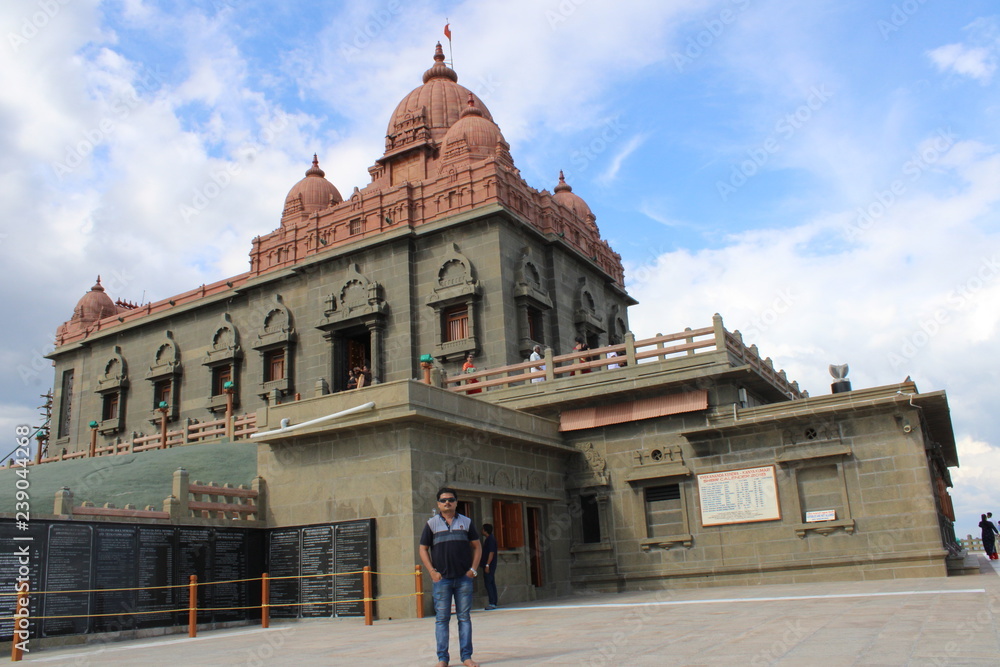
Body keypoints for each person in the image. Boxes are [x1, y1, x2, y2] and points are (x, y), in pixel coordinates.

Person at [419, 488, 482, 667]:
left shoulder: (467, 522)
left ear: (456, 502)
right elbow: (423, 548)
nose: (447, 502)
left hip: (463, 578)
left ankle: (466, 657)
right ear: (438, 503)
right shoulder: (431, 524)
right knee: (442, 619)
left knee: (464, 618)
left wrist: (473, 570)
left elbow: (477, 546)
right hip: (442, 580)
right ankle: (442, 659)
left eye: (451, 499)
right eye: (443, 500)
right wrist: (432, 571)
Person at [481, 523, 499, 610]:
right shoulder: (488, 539)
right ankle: (494, 601)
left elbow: (491, 552)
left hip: (490, 566)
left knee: (489, 583)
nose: (481, 531)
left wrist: (487, 565)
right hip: (489, 565)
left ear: (485, 530)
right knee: (491, 583)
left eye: (482, 529)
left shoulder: (491, 540)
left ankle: (492, 603)